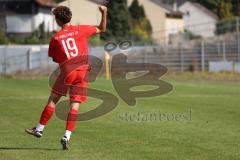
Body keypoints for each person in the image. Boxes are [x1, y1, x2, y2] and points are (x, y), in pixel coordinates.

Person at [25, 5, 107, 150]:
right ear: (70, 17)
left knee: (53, 100)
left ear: (57, 20)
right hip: (83, 72)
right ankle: (66, 136)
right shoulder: (81, 29)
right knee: (75, 105)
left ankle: (39, 129)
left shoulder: (56, 38)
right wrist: (104, 12)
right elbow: (102, 28)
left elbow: (54, 58)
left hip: (67, 71)